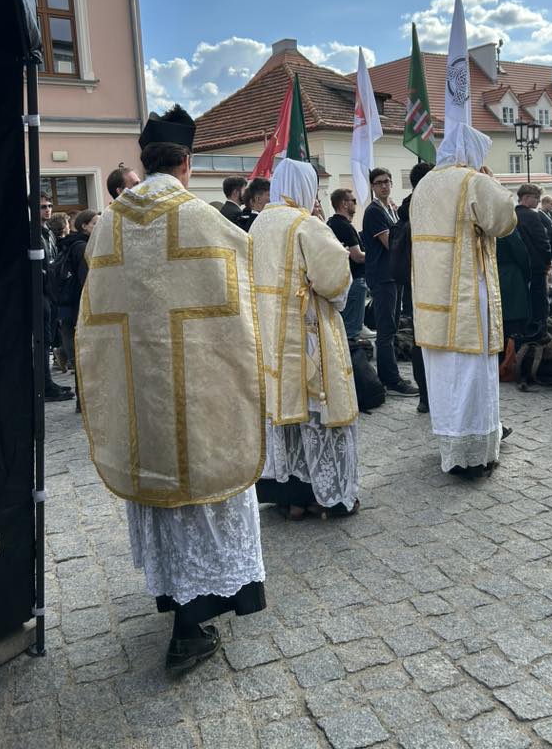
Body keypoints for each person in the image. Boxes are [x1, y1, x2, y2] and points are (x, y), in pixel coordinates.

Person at [76, 105, 267, 671]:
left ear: (145, 160)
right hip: (199, 392)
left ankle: (175, 598)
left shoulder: (109, 221)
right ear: (186, 163)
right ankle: (191, 623)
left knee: (166, 500)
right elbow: (247, 289)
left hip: (140, 396)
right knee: (204, 490)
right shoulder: (202, 217)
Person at [251, 159, 360, 519]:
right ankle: (328, 495)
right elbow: (334, 280)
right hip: (309, 333)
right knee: (320, 413)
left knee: (286, 414)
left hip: (269, 335)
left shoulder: (260, 222)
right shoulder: (305, 225)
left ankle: (291, 496)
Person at [411, 125, 516, 478]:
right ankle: (473, 455)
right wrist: (491, 181)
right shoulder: (472, 181)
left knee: (443, 373)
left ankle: (450, 445)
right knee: (472, 373)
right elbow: (503, 219)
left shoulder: (425, 183)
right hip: (467, 294)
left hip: (430, 296)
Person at [362, 168, 418, 396]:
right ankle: (390, 380)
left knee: (392, 328)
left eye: (387, 181)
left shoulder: (390, 209)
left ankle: (391, 376)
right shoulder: (375, 211)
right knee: (386, 331)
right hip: (383, 277)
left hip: (393, 276)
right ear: (373, 187)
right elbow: (391, 243)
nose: (384, 186)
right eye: (379, 183)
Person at [398, 162, 434, 413]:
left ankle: (424, 395)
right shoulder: (428, 207)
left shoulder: (405, 207)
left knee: (419, 340)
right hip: (431, 282)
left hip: (412, 285)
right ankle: (432, 394)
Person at [57, 209, 98, 408]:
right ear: (84, 226)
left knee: (80, 355)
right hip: (77, 308)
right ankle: (85, 401)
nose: (98, 228)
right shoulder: (82, 247)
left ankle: (84, 401)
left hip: (68, 308)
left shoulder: (72, 243)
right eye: (94, 224)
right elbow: (85, 281)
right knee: (84, 355)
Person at [40, 193, 74, 402]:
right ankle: (44, 386)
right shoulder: (32, 231)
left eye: (50, 205)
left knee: (48, 339)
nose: (48, 209)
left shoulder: (49, 233)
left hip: (51, 292)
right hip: (40, 293)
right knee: (42, 341)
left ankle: (48, 383)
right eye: (43, 206)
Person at [327, 188, 367, 343]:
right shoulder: (344, 226)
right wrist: (377, 256)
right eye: (353, 201)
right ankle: (353, 363)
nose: (355, 205)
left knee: (344, 326)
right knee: (351, 332)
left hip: (341, 280)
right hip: (354, 280)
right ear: (344, 203)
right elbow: (357, 256)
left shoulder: (331, 223)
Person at [515, 184, 551, 337]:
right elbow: (542, 242)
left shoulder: (512, 215)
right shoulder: (532, 216)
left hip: (518, 267)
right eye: (536, 198)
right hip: (536, 266)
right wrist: (548, 261)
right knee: (539, 303)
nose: (538, 201)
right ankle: (538, 334)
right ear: (526, 198)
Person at [497, 228, 531, 343]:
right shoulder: (506, 225)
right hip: (510, 277)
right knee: (513, 327)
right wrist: (526, 275)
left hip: (489, 275)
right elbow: (521, 253)